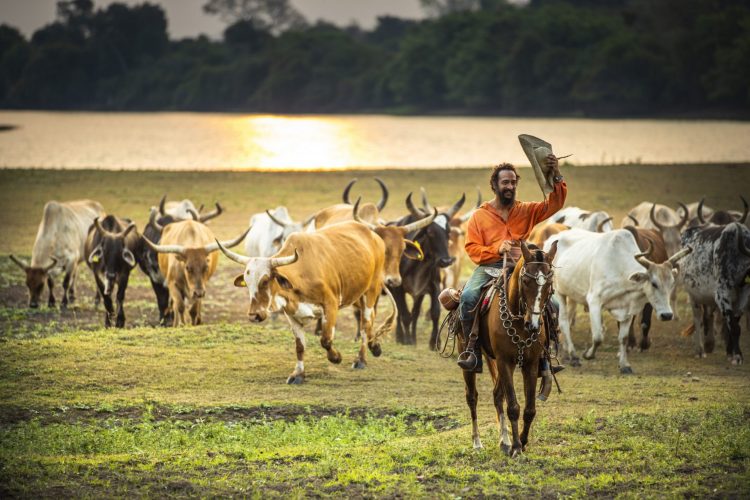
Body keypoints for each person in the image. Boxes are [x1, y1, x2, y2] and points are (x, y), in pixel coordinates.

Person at [458, 156, 567, 372]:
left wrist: (556, 175)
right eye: (505, 182)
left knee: (553, 304)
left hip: (521, 266)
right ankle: (473, 351)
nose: (510, 186)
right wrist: (496, 249)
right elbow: (472, 249)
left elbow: (555, 203)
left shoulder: (526, 210)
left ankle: (545, 355)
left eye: (513, 182)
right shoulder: (480, 216)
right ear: (495, 185)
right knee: (468, 297)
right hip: (490, 267)